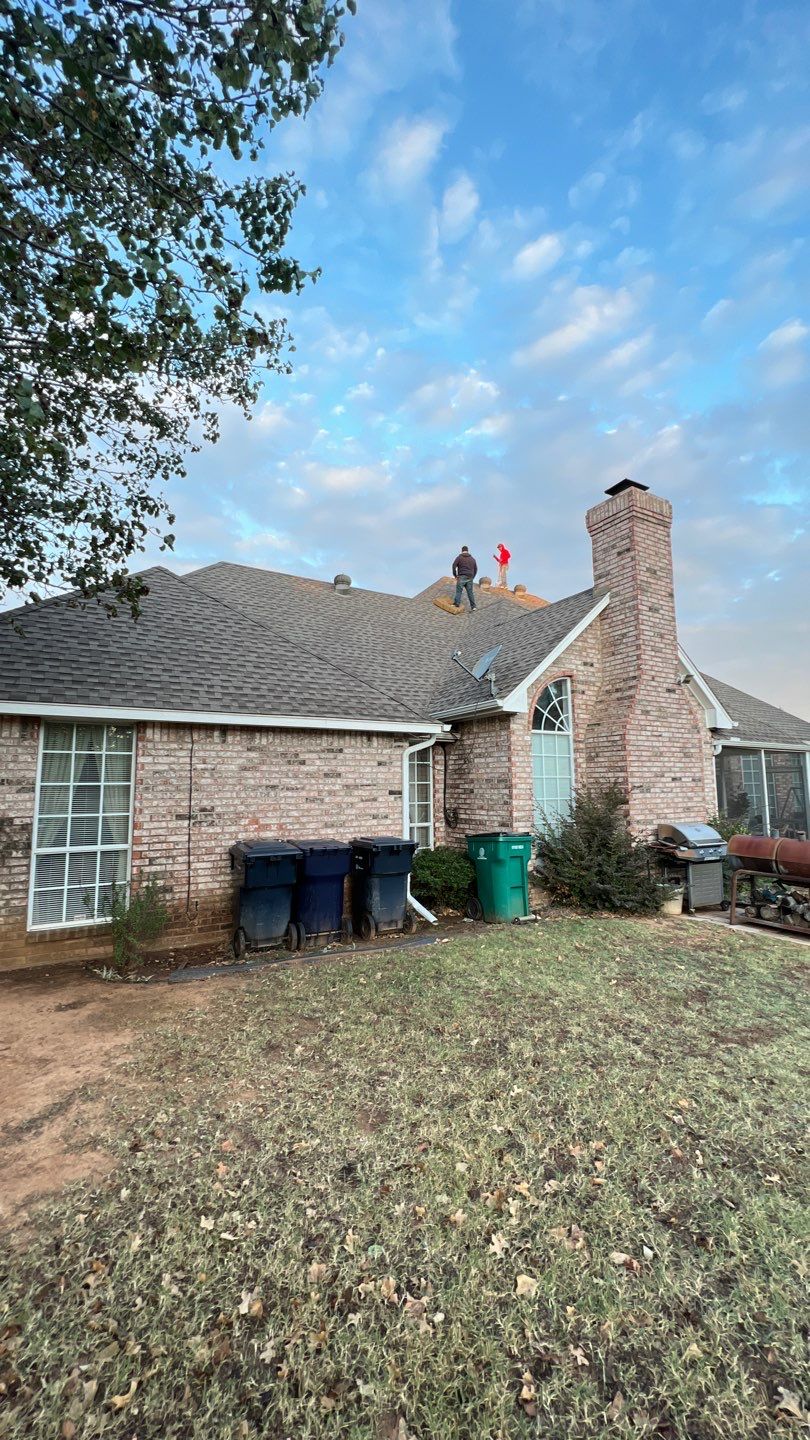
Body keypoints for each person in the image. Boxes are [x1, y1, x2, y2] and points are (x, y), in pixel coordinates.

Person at [452, 545, 477, 610]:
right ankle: (473, 606)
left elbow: (454, 566)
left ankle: (457, 604)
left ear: (462, 551)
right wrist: (472, 577)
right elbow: (476, 569)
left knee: (459, 591)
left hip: (462, 576)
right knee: (470, 592)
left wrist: (455, 575)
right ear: (467, 551)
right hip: (470, 577)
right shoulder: (472, 559)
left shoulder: (459, 558)